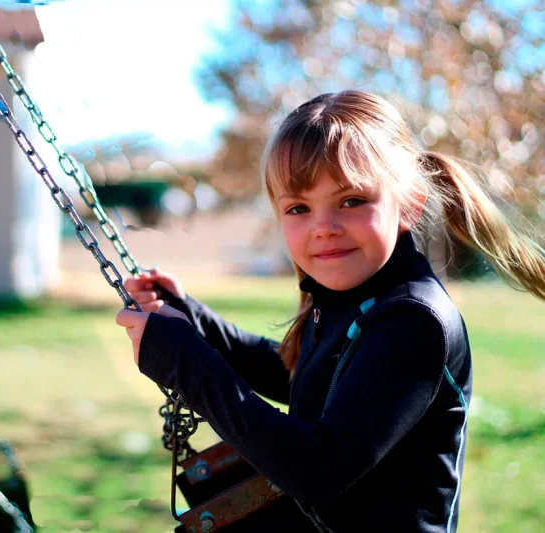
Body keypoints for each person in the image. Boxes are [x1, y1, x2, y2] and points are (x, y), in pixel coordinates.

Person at [115, 90, 545, 532]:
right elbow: (304, 375)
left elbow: (317, 469)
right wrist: (196, 322)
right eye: (299, 208)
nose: (324, 228)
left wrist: (187, 362)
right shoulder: (353, 298)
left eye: (352, 201)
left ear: (410, 203)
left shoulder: (414, 321)